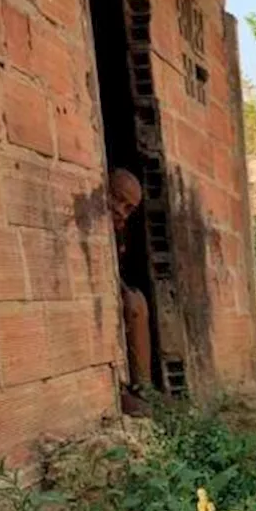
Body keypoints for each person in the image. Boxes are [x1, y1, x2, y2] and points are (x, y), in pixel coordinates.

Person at [107, 169, 151, 416]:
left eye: (129, 208)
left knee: (137, 302)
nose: (120, 210)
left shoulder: (120, 231)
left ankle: (143, 390)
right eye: (116, 198)